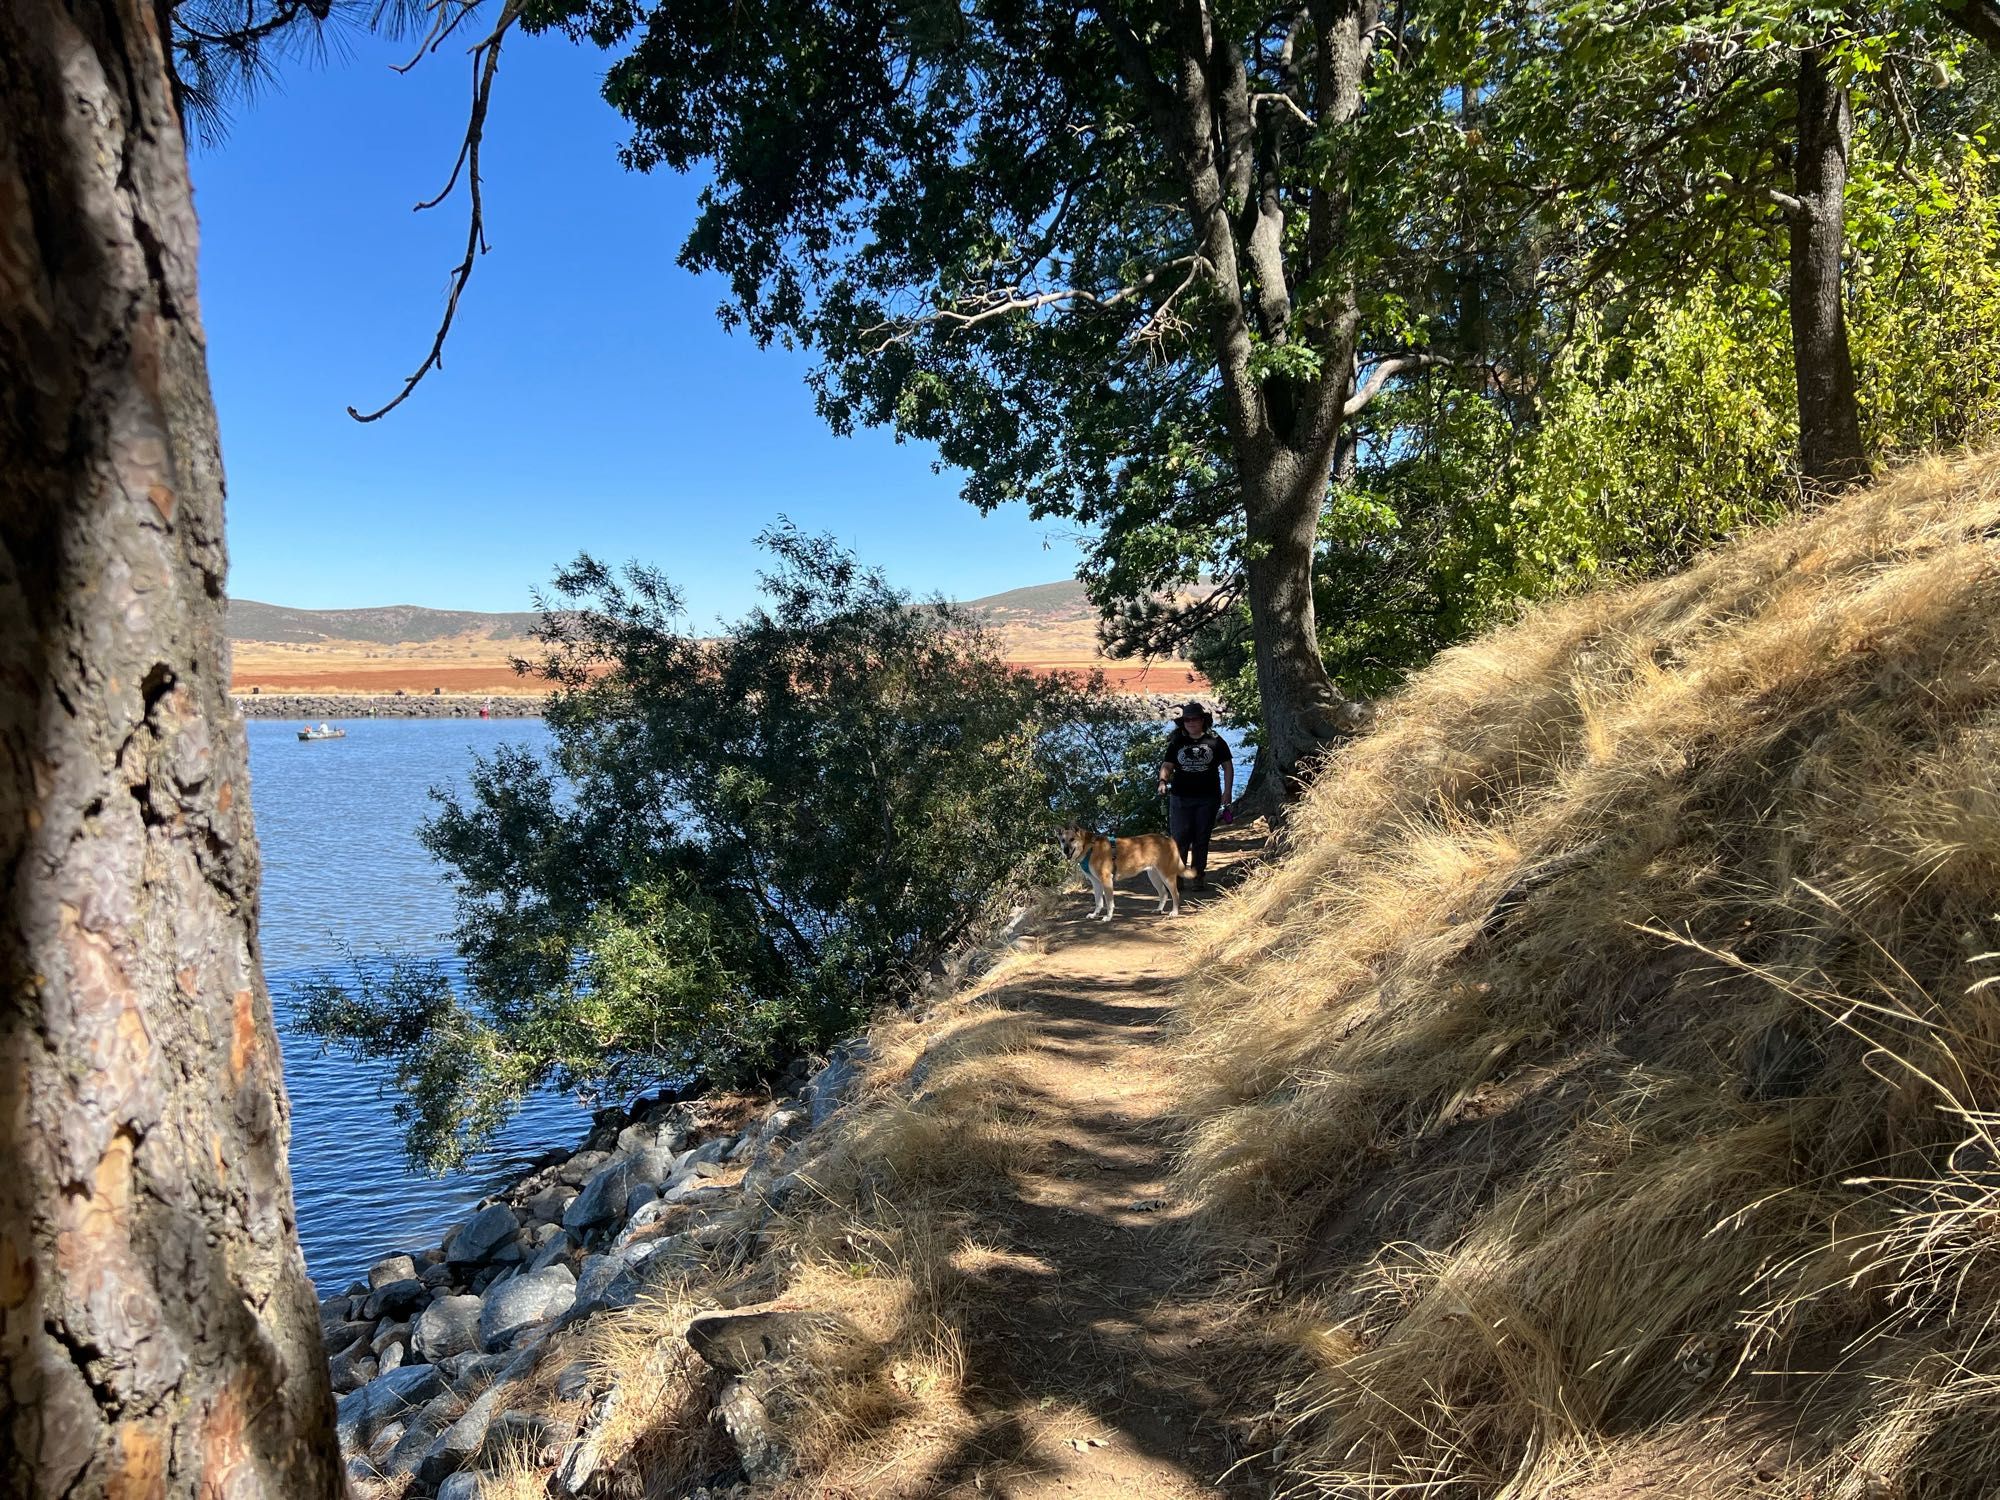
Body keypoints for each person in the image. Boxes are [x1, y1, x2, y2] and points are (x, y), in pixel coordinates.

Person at [1157, 701, 1233, 885]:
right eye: (1187, 720)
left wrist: (1227, 792)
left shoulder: (1215, 741)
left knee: (1201, 837)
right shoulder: (1177, 742)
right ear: (1183, 722)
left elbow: (1227, 766)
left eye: (1195, 719)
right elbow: (1168, 765)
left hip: (1208, 797)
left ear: (1202, 721)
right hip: (1181, 797)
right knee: (1180, 838)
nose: (1191, 723)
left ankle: (1198, 875)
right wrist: (1162, 781)